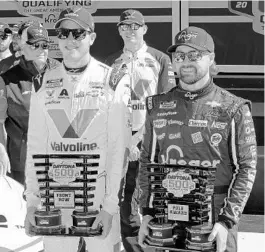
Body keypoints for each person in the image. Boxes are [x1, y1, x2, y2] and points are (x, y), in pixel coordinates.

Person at [138, 26, 257, 252]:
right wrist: (147, 213)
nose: (186, 62)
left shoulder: (233, 107)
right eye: (179, 56)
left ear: (211, 58)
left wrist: (226, 221)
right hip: (166, 219)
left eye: (194, 55)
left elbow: (247, 168)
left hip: (214, 221)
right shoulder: (158, 105)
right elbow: (148, 161)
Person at [24, 6, 131, 252]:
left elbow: (119, 151)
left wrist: (110, 207)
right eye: (63, 33)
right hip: (55, 195)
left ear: (92, 37)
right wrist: (32, 203)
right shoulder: (42, 83)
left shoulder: (113, 80)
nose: (70, 40)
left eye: (78, 33)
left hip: (98, 195)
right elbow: (35, 146)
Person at [105, 9, 176, 252]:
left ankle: (158, 245)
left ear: (144, 29)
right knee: (124, 201)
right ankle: (134, 247)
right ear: (119, 30)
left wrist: (140, 138)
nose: (130, 30)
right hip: (122, 142)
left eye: (135, 26)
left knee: (155, 198)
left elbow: (166, 105)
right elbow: (107, 107)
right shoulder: (111, 61)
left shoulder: (160, 59)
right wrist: (126, 141)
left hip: (152, 142)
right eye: (125, 26)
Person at [0, 23, 59, 184]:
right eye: (34, 45)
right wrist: (2, 151)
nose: (41, 49)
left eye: (44, 45)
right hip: (22, 162)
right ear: (23, 47)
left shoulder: (61, 73)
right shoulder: (7, 78)